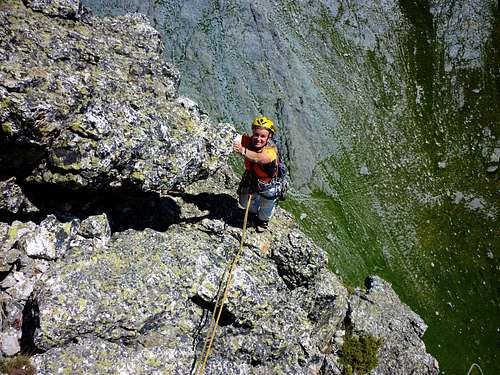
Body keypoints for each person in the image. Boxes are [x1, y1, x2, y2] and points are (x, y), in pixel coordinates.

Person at [232, 116, 280, 232]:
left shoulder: (271, 152)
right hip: (252, 180)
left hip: (268, 186)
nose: (258, 138)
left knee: (266, 206)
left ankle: (263, 221)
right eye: (256, 134)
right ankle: (252, 214)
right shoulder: (250, 142)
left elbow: (258, 158)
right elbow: (235, 137)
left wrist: (243, 151)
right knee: (245, 202)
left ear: (269, 137)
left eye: (263, 136)